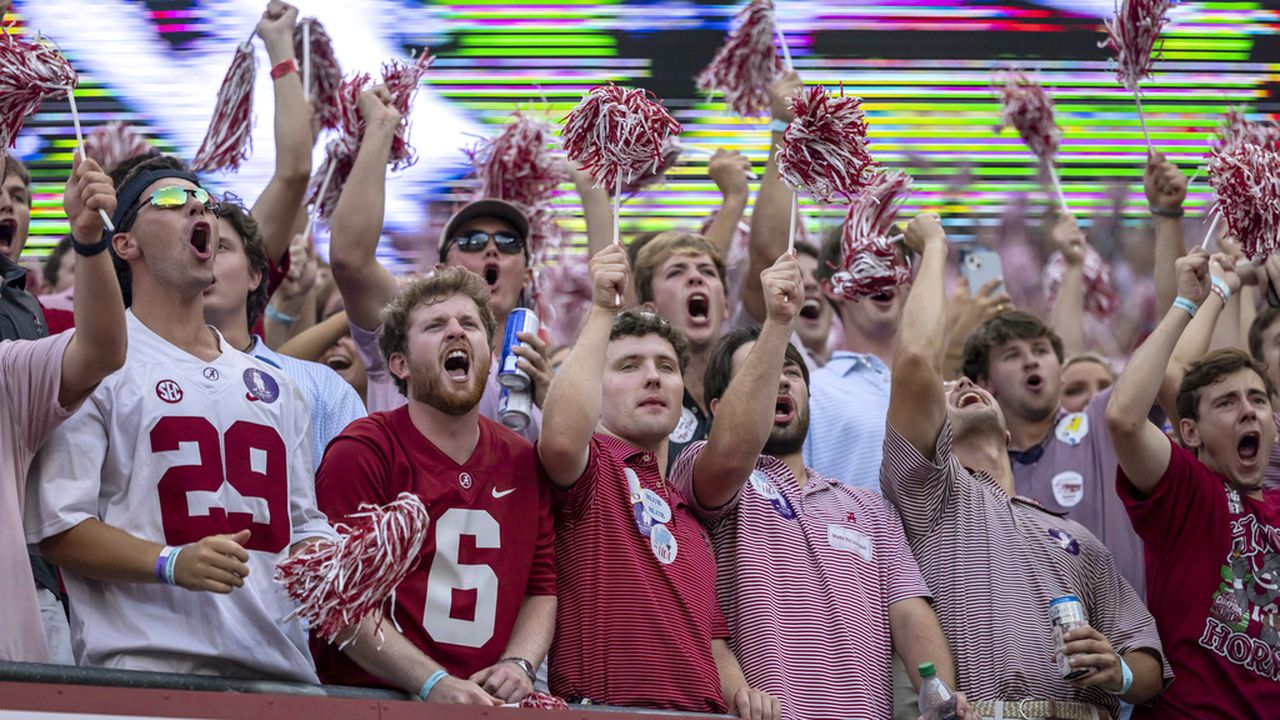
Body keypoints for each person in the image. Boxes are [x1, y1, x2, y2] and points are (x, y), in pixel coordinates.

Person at [24, 154, 335, 681]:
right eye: (170, 200)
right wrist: (170, 562)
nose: (198, 207)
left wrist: (345, 562)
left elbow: (301, 527)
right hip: (146, 672)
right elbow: (60, 527)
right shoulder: (92, 368)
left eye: (207, 203)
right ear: (125, 243)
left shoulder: (279, 387)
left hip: (280, 674)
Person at [883, 212, 1168, 720]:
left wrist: (1119, 671)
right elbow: (915, 365)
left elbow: (1147, 657)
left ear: (1007, 431)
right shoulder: (930, 496)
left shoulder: (1074, 533)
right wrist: (935, 245)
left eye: (970, 388)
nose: (961, 388)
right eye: (949, 393)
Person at [670, 252, 966, 720]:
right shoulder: (702, 473)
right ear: (718, 403)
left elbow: (909, 610)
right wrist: (778, 323)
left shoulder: (869, 505)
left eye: (792, 374)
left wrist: (941, 695)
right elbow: (728, 455)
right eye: (765, 375)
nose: (781, 383)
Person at [538, 243, 775, 718]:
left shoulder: (690, 516)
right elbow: (562, 438)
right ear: (593, 389)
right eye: (629, 366)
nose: (653, 378)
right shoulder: (592, 471)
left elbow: (711, 640)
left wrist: (742, 695)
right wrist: (604, 309)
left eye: (666, 367)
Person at [313, 267, 555, 705]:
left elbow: (542, 586)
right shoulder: (364, 449)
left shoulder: (522, 458)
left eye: (470, 324)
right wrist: (432, 683)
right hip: (372, 703)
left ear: (491, 351)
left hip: (485, 706)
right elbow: (338, 599)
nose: (456, 332)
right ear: (399, 363)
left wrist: (520, 663)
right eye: (435, 325)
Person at [1106, 249, 1280, 719]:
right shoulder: (1190, 492)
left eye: (1258, 400)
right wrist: (1191, 301)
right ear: (1190, 432)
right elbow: (1123, 418)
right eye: (1227, 403)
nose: (1247, 410)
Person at [327, 86, 551, 435]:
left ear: (526, 276)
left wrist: (551, 400)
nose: (491, 249)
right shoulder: (405, 335)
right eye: (472, 240)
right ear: (444, 269)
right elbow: (350, 261)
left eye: (508, 242)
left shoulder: (538, 384)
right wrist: (381, 127)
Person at [1, 153, 126, 662]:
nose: (6, 202)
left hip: (22, 581)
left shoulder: (16, 333)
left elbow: (100, 351)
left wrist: (89, 239)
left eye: (17, 194)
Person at [963, 308, 1146, 596]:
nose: (1030, 361)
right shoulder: (973, 473)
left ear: (1060, 374)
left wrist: (1188, 301)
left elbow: (1169, 363)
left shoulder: (1101, 422)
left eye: (1040, 350)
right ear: (985, 383)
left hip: (1131, 637)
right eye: (1012, 355)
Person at [202, 201, 365, 469]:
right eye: (194, 245)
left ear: (255, 275)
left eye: (220, 246)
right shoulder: (135, 377)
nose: (203, 257)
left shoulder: (324, 388)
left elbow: (357, 504)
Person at [631, 231, 730, 466]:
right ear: (650, 310)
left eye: (707, 271)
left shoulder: (748, 389)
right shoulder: (636, 393)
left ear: (726, 306)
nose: (696, 277)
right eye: (676, 272)